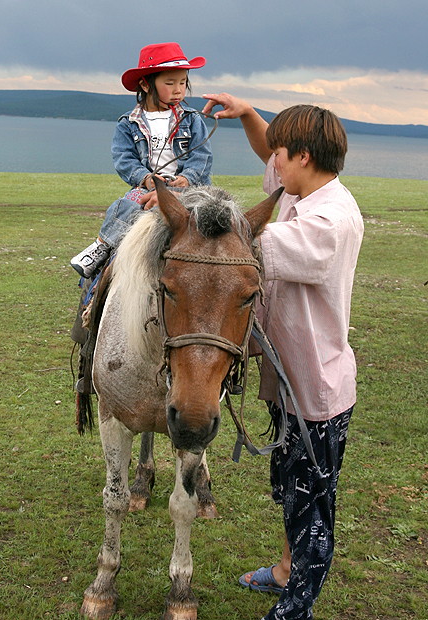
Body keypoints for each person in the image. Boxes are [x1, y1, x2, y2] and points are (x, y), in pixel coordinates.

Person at [202, 94, 364, 620]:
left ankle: (295, 608)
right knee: (289, 489)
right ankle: (284, 571)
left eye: (280, 153)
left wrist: (187, 211)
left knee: (311, 508)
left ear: (304, 158)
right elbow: (266, 155)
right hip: (287, 380)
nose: (272, 162)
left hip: (315, 389)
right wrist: (249, 114)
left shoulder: (327, 223)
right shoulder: (304, 191)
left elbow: (245, 245)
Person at [70, 42, 213, 278]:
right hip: (149, 187)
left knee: (215, 214)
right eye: (170, 83)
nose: (178, 90)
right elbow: (124, 158)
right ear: (146, 84)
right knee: (126, 205)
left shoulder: (192, 119)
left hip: (189, 188)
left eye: (182, 82)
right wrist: (145, 178)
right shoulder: (128, 123)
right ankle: (102, 246)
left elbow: (202, 155)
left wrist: (187, 178)